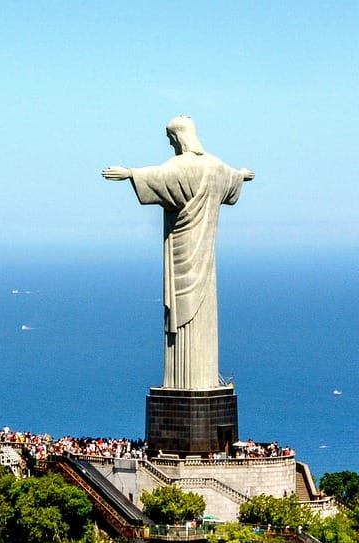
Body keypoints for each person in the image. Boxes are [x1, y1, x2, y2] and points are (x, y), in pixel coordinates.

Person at [103, 117, 254, 389]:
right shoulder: (217, 167)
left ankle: (185, 383)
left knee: (183, 319)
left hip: (181, 252)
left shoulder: (182, 166)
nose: (172, 144)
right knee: (200, 315)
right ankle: (199, 382)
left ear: (180, 137)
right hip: (205, 262)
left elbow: (161, 177)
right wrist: (242, 174)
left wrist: (129, 173)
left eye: (172, 139)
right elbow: (232, 178)